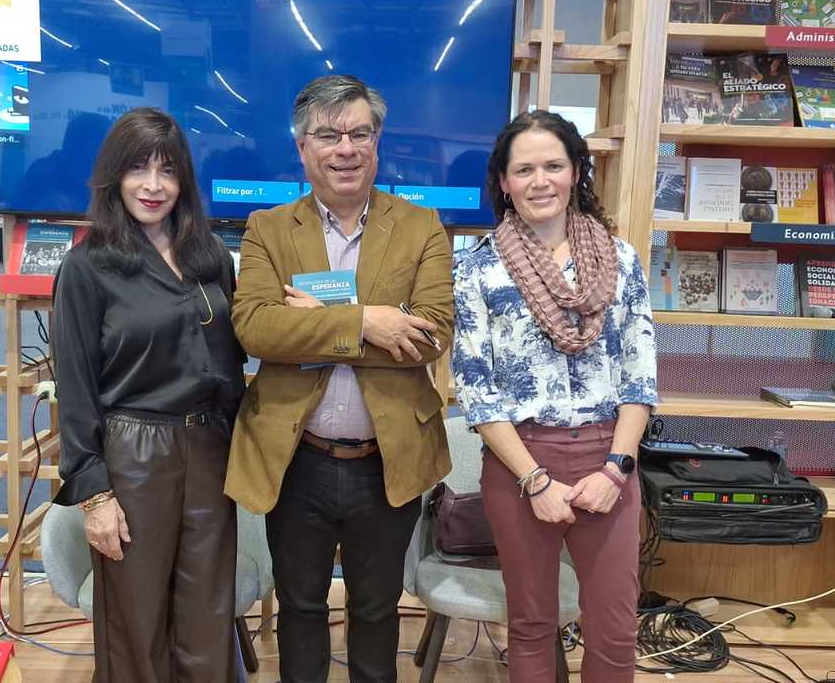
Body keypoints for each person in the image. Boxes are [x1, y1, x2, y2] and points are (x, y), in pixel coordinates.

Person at [224, 74, 454, 683]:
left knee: (377, 611)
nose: (344, 148)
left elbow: (432, 337)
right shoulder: (268, 229)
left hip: (389, 458)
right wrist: (370, 323)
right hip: (297, 458)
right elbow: (256, 330)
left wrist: (320, 323)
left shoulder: (421, 226)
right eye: (328, 135)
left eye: (359, 132)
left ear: (377, 142)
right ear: (303, 148)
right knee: (300, 608)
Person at [451, 110, 658, 682]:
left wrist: (617, 469)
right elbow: (477, 388)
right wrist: (534, 481)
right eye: (524, 169)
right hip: (521, 464)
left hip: (609, 459)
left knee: (615, 628)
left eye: (552, 165)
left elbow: (640, 375)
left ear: (575, 174)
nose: (539, 181)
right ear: (503, 182)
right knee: (532, 623)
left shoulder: (623, 261)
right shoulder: (475, 268)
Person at [51, 107, 246, 682]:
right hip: (133, 457)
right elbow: (77, 389)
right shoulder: (88, 268)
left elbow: (229, 363)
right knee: (135, 621)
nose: (153, 186)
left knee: (208, 612)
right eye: (138, 169)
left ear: (184, 180)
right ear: (115, 177)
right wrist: (94, 495)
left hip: (210, 450)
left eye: (167, 170)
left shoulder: (209, 258)